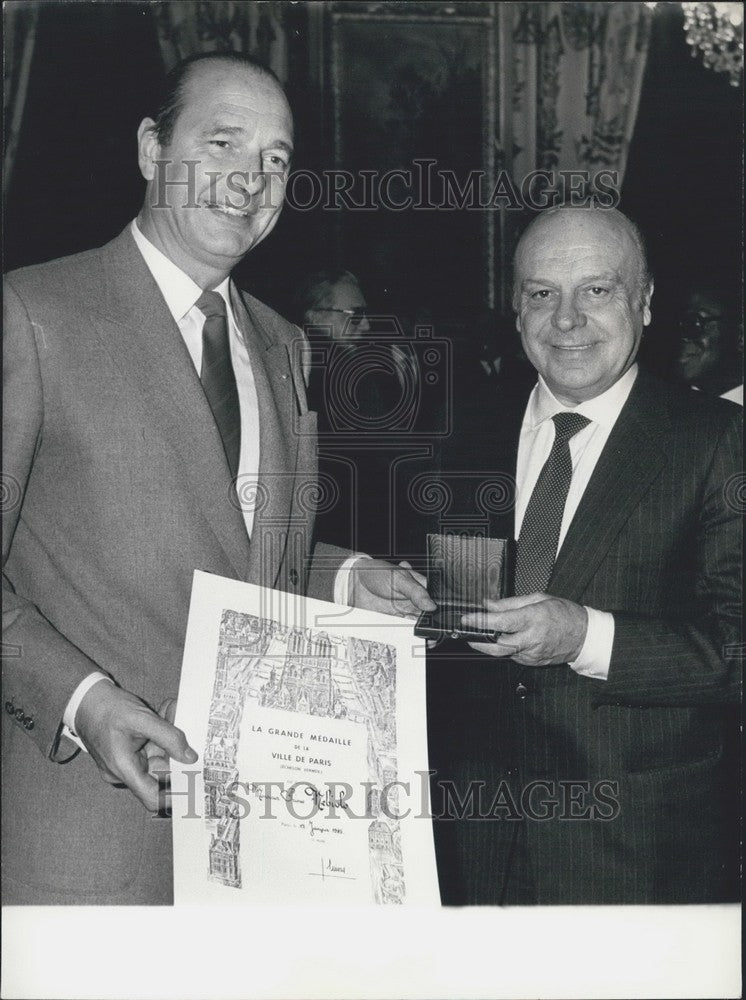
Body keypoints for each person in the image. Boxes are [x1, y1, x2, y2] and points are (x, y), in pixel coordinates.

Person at [2, 53, 432, 905]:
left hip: (259, 847)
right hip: (85, 834)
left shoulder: (284, 345)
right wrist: (81, 700)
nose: (251, 179)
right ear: (151, 148)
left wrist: (346, 574)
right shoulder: (34, 314)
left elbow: (238, 556)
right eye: (224, 141)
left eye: (276, 158)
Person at [428, 205, 741, 905]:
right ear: (516, 311)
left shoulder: (718, 440)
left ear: (647, 302)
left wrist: (584, 636)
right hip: (474, 844)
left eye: (596, 291)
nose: (565, 320)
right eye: (541, 293)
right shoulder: (468, 428)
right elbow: (452, 619)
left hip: (637, 853)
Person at [297, 269, 414, 556]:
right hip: (345, 531)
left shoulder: (338, 364)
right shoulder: (329, 371)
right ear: (315, 316)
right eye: (354, 315)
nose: (365, 326)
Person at [674, 281, 743, 405]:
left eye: (695, 323)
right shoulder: (658, 412)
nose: (682, 336)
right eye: (681, 323)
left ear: (740, 337)